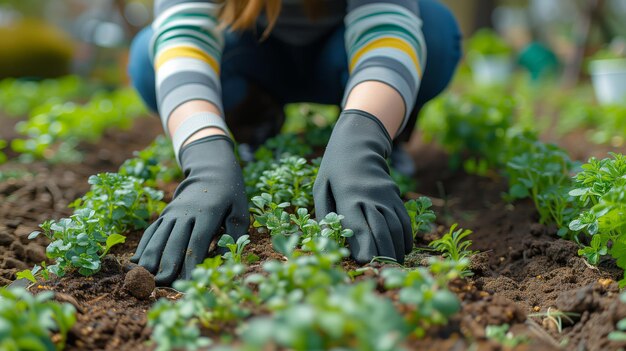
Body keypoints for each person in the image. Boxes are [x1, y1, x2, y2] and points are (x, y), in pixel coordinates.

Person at [128, 0, 461, 285]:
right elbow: (184, 35)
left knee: (433, 32)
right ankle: (252, 121)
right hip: (251, 52)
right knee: (149, 57)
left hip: (340, 50)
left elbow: (387, 25)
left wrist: (363, 139)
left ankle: (378, 120)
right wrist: (204, 155)